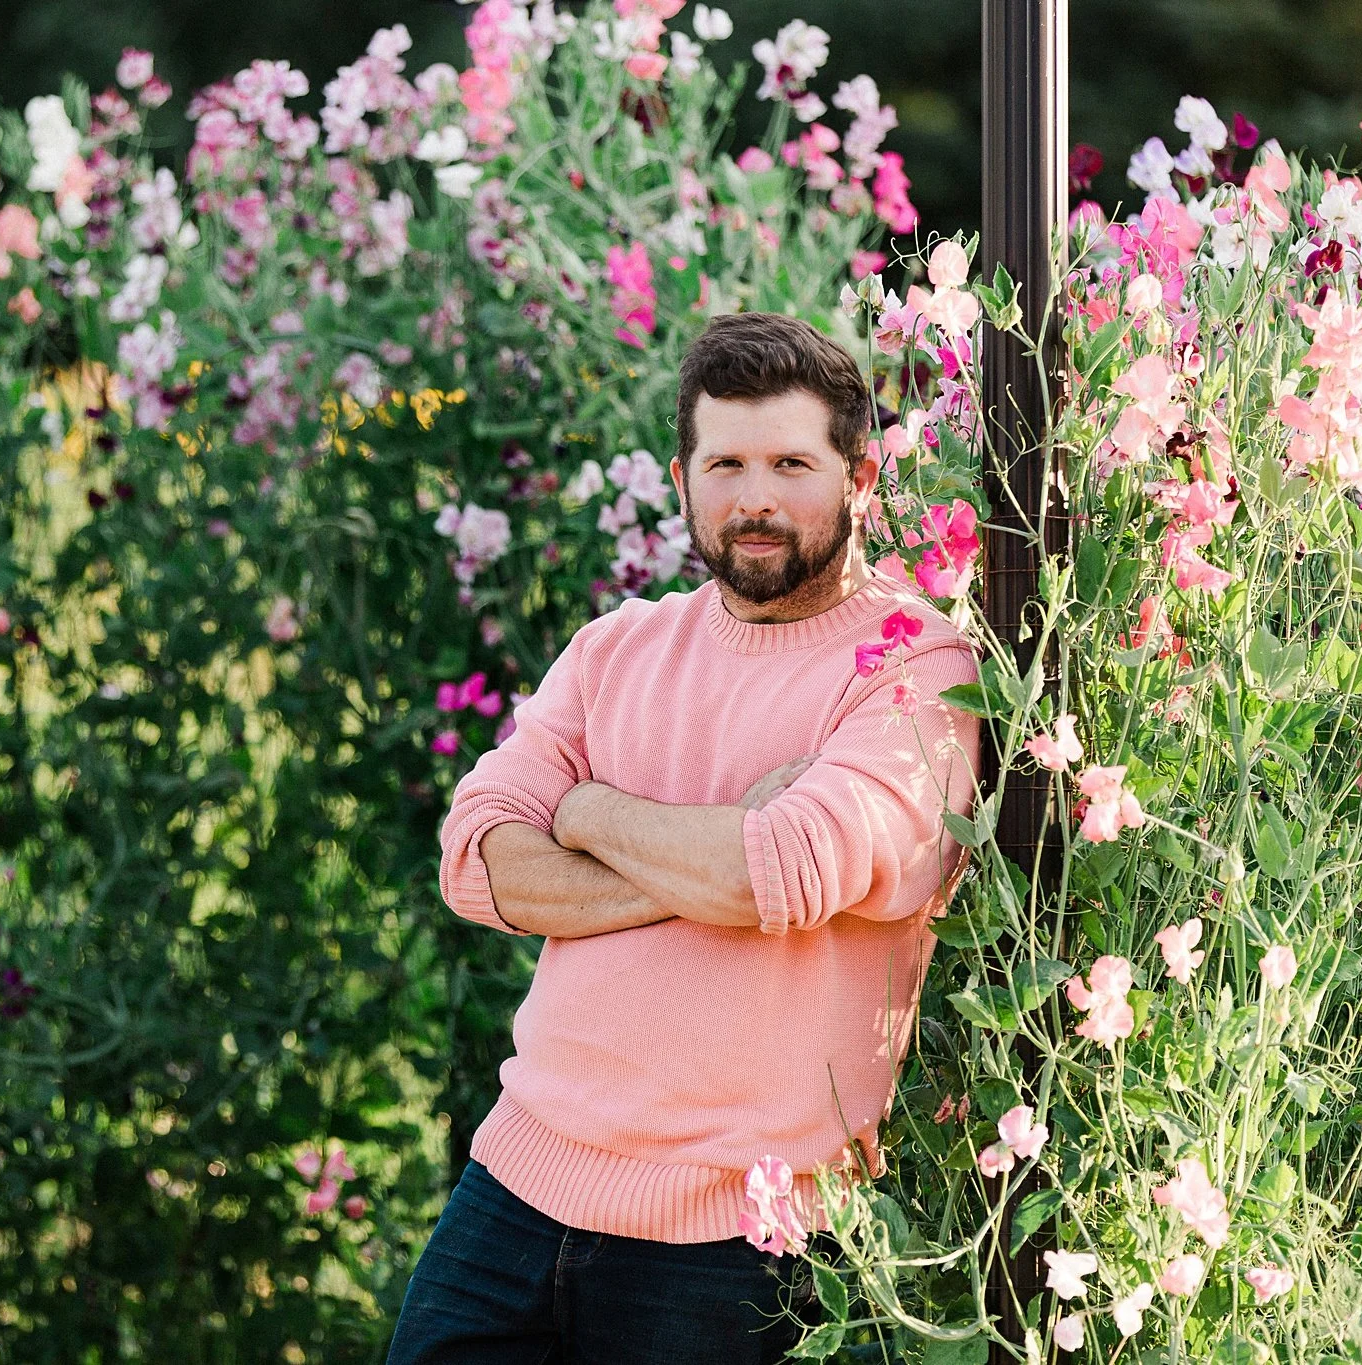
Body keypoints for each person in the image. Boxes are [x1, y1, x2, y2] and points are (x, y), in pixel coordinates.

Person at [387, 311, 982, 1364]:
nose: (755, 500)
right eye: (726, 465)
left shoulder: (916, 667)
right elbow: (477, 861)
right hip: (517, 1184)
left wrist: (586, 814)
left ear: (859, 478)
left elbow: (778, 873)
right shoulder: (618, 648)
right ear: (681, 481)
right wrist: (708, 845)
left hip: (738, 1236)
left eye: (791, 464)